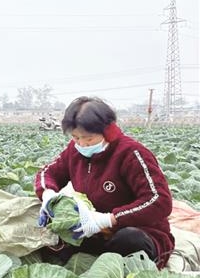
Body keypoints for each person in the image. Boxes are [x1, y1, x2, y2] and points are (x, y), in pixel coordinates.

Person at [35, 96, 173, 268]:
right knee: (49, 235)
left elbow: (159, 200)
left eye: (88, 138)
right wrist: (48, 194)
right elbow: (48, 172)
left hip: (139, 231)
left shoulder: (132, 153)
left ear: (108, 131)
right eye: (76, 137)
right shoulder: (74, 151)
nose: (82, 144)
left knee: (129, 241)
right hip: (93, 231)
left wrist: (110, 219)